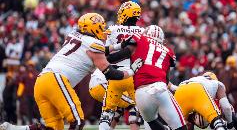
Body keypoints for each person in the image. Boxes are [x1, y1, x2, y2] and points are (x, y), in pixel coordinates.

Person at [0, 13, 136, 130]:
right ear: (94, 28)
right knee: (77, 121)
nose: (103, 29)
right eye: (101, 26)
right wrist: (131, 71)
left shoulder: (74, 35)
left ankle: (16, 128)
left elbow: (96, 50)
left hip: (41, 82)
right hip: (56, 79)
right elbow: (110, 73)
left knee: (53, 128)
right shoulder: (95, 45)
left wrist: (119, 45)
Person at [107, 25, 187, 130]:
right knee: (181, 128)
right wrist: (174, 88)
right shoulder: (168, 51)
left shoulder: (139, 39)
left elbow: (114, 58)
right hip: (159, 88)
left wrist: (103, 55)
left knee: (151, 122)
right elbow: (166, 79)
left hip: (140, 94)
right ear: (161, 39)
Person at [99, 0, 144, 130]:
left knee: (107, 113)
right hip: (135, 77)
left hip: (116, 75)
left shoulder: (112, 29)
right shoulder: (142, 31)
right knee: (144, 112)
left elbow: (104, 51)